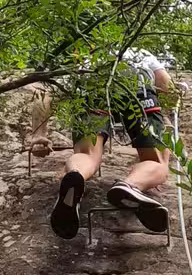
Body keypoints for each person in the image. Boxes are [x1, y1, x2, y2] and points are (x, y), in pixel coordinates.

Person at [48, 48, 175, 239]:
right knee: (157, 161)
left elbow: (49, 92)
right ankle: (131, 186)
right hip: (138, 91)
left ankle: (76, 175)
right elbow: (165, 84)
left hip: (93, 87)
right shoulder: (139, 52)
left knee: (87, 153)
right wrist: (173, 101)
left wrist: (38, 134)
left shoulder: (84, 56)